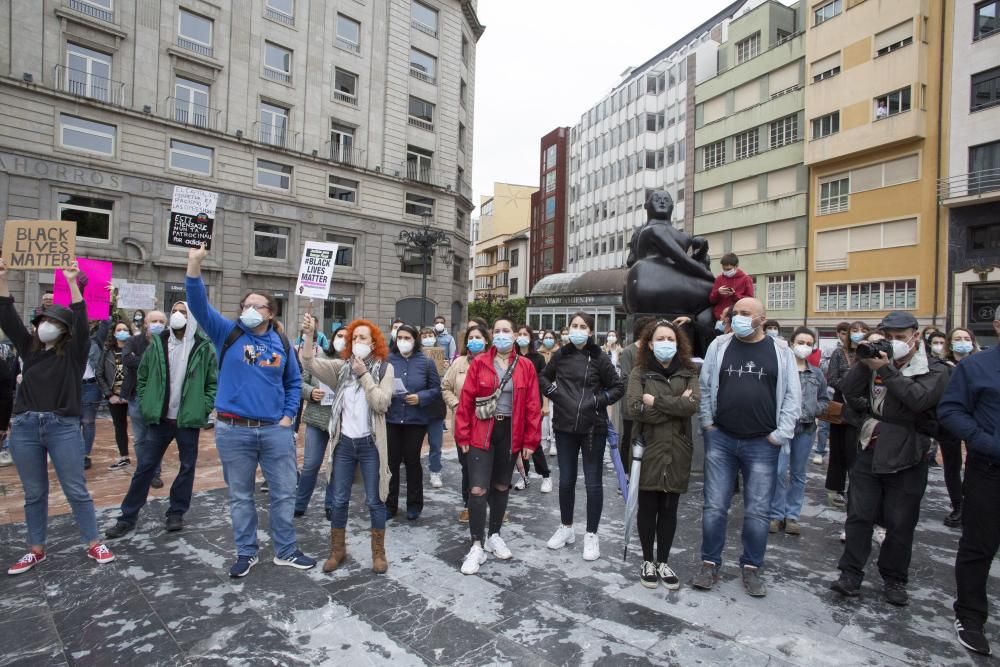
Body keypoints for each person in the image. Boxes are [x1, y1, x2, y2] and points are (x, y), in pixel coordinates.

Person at [185, 244, 315, 577]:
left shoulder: (282, 343)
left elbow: (292, 382)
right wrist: (194, 266)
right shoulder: (226, 333)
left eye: (257, 306)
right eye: (246, 305)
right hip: (233, 430)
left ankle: (285, 550)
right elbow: (198, 305)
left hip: (274, 431)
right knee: (240, 496)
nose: (250, 310)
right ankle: (246, 552)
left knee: (284, 493)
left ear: (271, 312)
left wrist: (287, 418)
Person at [0, 260, 116, 574]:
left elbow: (81, 320)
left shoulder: (74, 355)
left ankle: (93, 542)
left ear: (64, 330)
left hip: (62, 428)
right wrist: (2, 278)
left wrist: (73, 283)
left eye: (53, 321)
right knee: (34, 492)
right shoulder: (29, 349)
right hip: (24, 428)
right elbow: (7, 316)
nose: (45, 325)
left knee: (75, 488)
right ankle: (35, 549)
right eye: (42, 320)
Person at [829, 311, 948, 606]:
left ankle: (894, 578)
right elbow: (847, 389)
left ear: (915, 337)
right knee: (859, 515)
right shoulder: (875, 361)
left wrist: (888, 370)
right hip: (870, 447)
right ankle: (850, 574)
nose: (894, 343)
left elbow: (918, 399)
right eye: (889, 337)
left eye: (900, 337)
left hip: (908, 453)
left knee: (900, 521)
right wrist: (866, 360)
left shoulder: (934, 368)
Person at [692, 297, 801, 598]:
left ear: (762, 319)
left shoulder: (781, 351)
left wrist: (781, 435)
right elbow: (705, 385)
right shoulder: (719, 346)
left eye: (745, 313)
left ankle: (752, 567)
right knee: (714, 506)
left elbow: (793, 395)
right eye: (735, 313)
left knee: (757, 511)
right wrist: (707, 424)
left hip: (762, 443)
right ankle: (709, 562)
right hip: (722, 439)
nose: (738, 317)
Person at [104, 301, 216, 538]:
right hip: (160, 419)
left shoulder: (203, 347)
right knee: (145, 467)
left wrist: (203, 407)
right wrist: (147, 403)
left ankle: (176, 512)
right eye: (174, 311)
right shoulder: (158, 344)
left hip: (188, 420)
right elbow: (142, 377)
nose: (177, 315)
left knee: (187, 468)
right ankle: (128, 516)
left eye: (183, 312)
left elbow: (212, 382)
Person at [301, 316, 394, 575]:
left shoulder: (385, 369)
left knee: (375, 501)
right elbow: (308, 362)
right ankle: (337, 550)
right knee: (339, 500)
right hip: (343, 444)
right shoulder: (341, 369)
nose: (357, 341)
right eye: (354, 337)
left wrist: (363, 374)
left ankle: (378, 553)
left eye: (363, 337)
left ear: (374, 342)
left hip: (370, 446)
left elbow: (381, 403)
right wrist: (309, 335)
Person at [455, 317, 542, 575]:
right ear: (492, 335)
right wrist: (462, 436)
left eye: (507, 331)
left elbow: (533, 407)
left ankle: (494, 534)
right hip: (481, 432)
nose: (502, 335)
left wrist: (530, 441)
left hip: (510, 433)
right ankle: (476, 545)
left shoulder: (525, 366)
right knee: (478, 488)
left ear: (515, 336)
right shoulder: (480, 363)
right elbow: (466, 401)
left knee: (502, 485)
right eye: (498, 331)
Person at [938, 307, 1000, 656]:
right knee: (979, 545)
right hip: (989, 468)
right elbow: (950, 411)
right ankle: (970, 615)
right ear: (996, 326)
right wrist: (984, 441)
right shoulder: (975, 367)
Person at [541, 311, 625, 561]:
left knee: (592, 483)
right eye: (573, 325)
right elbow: (544, 377)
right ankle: (566, 528)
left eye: (582, 326)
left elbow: (618, 387)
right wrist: (556, 394)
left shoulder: (599, 357)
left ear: (590, 331)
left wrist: (597, 400)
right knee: (566, 480)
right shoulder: (561, 354)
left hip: (592, 428)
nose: (577, 329)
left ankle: (591, 534)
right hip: (564, 427)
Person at [625, 320, 699, 589]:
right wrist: (675, 405)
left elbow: (691, 407)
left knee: (669, 508)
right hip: (649, 448)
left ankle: (663, 561)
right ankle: (647, 560)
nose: (666, 343)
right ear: (650, 343)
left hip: (677, 449)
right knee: (648, 506)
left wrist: (655, 402)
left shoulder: (689, 372)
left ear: (678, 343)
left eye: (671, 338)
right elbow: (634, 410)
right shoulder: (639, 373)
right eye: (660, 338)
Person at [770, 327, 829, 536]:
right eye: (800, 342)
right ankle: (775, 514)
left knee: (798, 473)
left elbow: (824, 397)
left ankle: (792, 515)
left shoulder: (816, 373)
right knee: (777, 472)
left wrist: (816, 410)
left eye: (809, 343)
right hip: (783, 427)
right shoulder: (782, 369)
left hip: (806, 428)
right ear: (792, 343)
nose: (804, 347)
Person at [385, 324, 441, 520]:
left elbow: (436, 389)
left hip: (416, 420)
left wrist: (420, 397)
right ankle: (389, 504)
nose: (402, 341)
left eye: (407, 338)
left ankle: (414, 504)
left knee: (412, 461)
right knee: (391, 462)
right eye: (399, 337)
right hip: (391, 418)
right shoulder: (388, 360)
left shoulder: (426, 362)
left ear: (415, 340)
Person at [295, 324, 347, 519]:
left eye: (346, 336)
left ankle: (331, 504)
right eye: (339, 335)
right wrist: (310, 392)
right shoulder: (319, 359)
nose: (342, 339)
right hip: (317, 419)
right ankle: (300, 503)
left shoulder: (355, 362)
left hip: (343, 423)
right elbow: (300, 382)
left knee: (335, 465)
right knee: (311, 464)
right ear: (332, 338)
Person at [442, 324, 490, 523]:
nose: (474, 341)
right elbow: (445, 387)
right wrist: (457, 405)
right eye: (471, 337)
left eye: (479, 337)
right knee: (467, 466)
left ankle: (491, 503)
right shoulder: (459, 363)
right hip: (463, 424)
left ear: (486, 340)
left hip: (487, 423)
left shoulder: (493, 362)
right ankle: (468, 505)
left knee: (489, 466)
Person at [824, 320, 870, 508]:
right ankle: (836, 489)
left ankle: (857, 489)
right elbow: (832, 378)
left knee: (856, 451)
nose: (858, 333)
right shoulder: (839, 353)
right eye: (855, 330)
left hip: (863, 408)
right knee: (839, 450)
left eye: (863, 330)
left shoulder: (868, 355)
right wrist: (851, 388)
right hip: (842, 406)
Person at [938, 327, 980, 528]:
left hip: (977, 422)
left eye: (966, 338)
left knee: (975, 464)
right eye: (957, 338)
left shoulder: (980, 364)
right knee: (952, 466)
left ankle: (972, 503)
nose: (962, 341)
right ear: (950, 343)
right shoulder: (942, 366)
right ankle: (958, 506)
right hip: (950, 422)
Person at [122, 311, 167, 488]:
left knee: (155, 437)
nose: (158, 324)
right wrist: (153, 361)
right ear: (146, 323)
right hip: (137, 396)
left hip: (160, 396)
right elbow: (127, 360)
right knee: (140, 437)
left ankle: (155, 472)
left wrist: (141, 360)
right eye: (154, 321)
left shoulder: (168, 341)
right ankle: (144, 470)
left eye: (161, 321)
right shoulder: (134, 341)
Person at [514, 324, 551, 492]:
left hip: (533, 405)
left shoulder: (538, 359)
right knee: (519, 442)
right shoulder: (511, 356)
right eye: (519, 334)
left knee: (534, 442)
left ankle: (546, 476)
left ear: (531, 338)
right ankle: (524, 475)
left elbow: (544, 384)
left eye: (525, 334)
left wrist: (544, 404)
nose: (521, 336)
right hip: (514, 406)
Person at [619, 317, 655, 470]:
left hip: (651, 404)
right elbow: (626, 378)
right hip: (631, 404)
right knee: (628, 438)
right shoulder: (629, 351)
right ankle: (625, 473)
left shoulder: (653, 351)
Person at [97, 321, 133, 470]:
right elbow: (99, 373)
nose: (122, 331)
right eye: (119, 329)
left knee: (141, 428)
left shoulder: (134, 350)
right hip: (115, 397)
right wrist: (109, 394)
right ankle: (124, 457)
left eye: (125, 329)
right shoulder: (107, 351)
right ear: (114, 333)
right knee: (120, 427)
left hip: (133, 395)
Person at [814, 322, 850, 465]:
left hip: (849, 395)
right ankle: (820, 451)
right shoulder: (830, 349)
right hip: (831, 391)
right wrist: (834, 364)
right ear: (838, 334)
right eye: (842, 332)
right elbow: (822, 366)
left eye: (847, 333)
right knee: (824, 424)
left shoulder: (857, 350)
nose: (844, 336)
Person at [419, 326, 448, 489]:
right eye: (424, 335)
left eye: (430, 335)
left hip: (435, 407)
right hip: (418, 405)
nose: (427, 337)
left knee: (436, 443)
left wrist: (446, 368)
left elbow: (445, 384)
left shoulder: (441, 355)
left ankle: (435, 471)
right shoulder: (415, 357)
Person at [708, 253, 754, 331]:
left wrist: (734, 295)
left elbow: (750, 301)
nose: (726, 271)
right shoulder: (719, 279)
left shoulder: (746, 279)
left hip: (737, 320)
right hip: (721, 320)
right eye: (724, 269)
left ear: (736, 266)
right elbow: (712, 300)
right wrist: (718, 292)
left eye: (728, 269)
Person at [538, 329, 560, 456]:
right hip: (541, 386)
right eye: (546, 337)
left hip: (555, 385)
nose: (548, 340)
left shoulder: (560, 353)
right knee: (543, 416)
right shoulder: (539, 353)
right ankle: (543, 440)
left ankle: (553, 442)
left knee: (553, 415)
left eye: (551, 337)